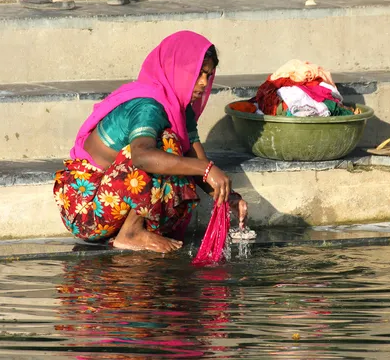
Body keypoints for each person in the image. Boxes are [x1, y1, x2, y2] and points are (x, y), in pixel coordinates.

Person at [53, 31, 248, 253]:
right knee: (165, 145)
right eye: (198, 74)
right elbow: (142, 156)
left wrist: (228, 197)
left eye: (208, 76)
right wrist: (207, 168)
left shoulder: (182, 109)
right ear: (176, 69)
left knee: (179, 159)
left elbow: (197, 163)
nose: (204, 84)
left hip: (114, 203)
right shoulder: (148, 106)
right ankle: (131, 233)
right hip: (86, 208)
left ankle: (133, 229)